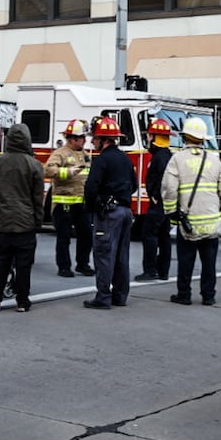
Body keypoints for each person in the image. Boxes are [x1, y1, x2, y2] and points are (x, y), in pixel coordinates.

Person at [162, 116, 221, 306]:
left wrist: (171, 212)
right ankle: (208, 295)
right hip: (211, 221)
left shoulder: (177, 159)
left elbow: (169, 188)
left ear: (185, 137)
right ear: (203, 139)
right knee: (209, 263)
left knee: (186, 260)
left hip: (189, 222)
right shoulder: (214, 160)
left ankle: (184, 295)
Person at [0, 122, 44, 312]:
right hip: (25, 222)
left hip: (4, 221)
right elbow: (37, 198)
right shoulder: (34, 165)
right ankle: (22, 301)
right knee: (24, 265)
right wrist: (38, 221)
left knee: (1, 262)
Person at [82, 115, 137, 310]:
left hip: (108, 214)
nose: (92, 141)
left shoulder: (101, 160)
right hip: (125, 211)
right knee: (122, 255)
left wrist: (90, 208)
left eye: (95, 138)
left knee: (104, 253)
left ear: (104, 140)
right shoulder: (125, 158)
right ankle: (120, 296)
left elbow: (91, 187)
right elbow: (134, 185)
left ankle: (103, 297)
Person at [46, 119, 94, 278]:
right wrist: (67, 172)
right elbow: (48, 170)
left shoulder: (86, 155)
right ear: (72, 138)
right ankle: (64, 267)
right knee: (64, 237)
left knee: (86, 235)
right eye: (82, 138)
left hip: (82, 203)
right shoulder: (60, 153)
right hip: (63, 203)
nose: (85, 140)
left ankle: (83, 264)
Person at [138, 118, 175, 281]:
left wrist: (155, 196)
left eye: (149, 136)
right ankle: (163, 271)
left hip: (158, 204)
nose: (147, 139)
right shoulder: (168, 155)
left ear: (154, 137)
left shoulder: (159, 157)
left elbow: (161, 180)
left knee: (150, 235)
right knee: (164, 236)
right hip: (167, 203)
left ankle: (150, 270)